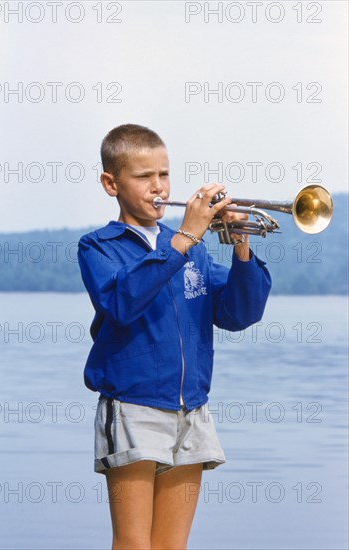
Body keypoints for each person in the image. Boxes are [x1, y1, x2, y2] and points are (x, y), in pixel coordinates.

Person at [77, 123, 271, 550]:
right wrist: (185, 237)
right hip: (133, 407)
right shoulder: (99, 247)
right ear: (111, 183)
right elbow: (121, 304)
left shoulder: (194, 249)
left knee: (172, 546)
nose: (158, 187)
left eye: (163, 174)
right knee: (133, 544)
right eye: (144, 177)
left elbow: (240, 314)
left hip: (193, 410)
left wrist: (239, 244)